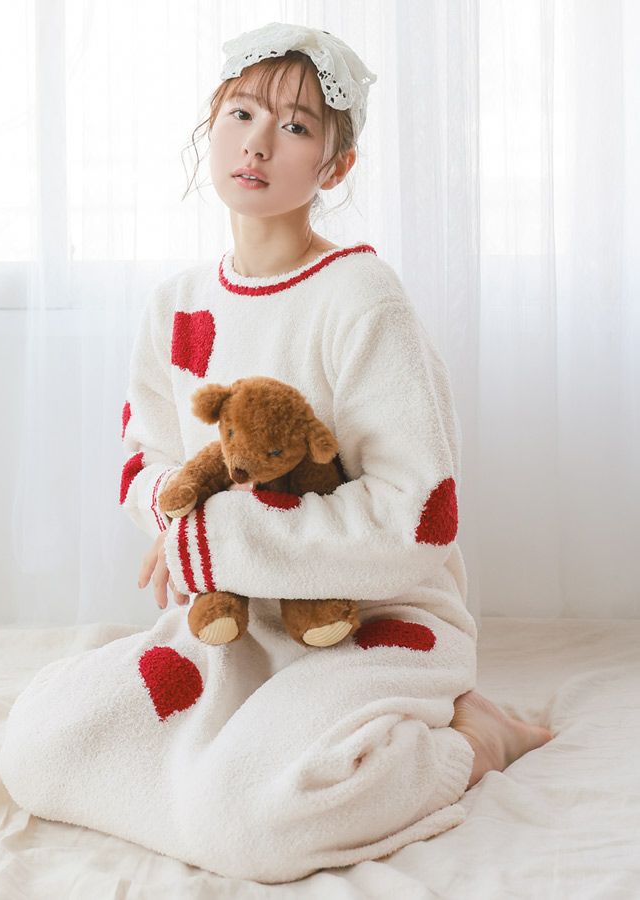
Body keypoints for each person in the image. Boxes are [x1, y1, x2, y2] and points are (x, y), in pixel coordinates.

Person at [119, 22, 552, 879]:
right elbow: (145, 461)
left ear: (336, 165)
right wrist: (181, 530)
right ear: (212, 125)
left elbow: (417, 516)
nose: (258, 143)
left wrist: (217, 536)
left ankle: (474, 737)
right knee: (44, 744)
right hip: (237, 615)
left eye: (296, 126)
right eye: (242, 114)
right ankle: (236, 742)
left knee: (251, 826)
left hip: (365, 617)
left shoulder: (362, 297)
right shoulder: (177, 302)